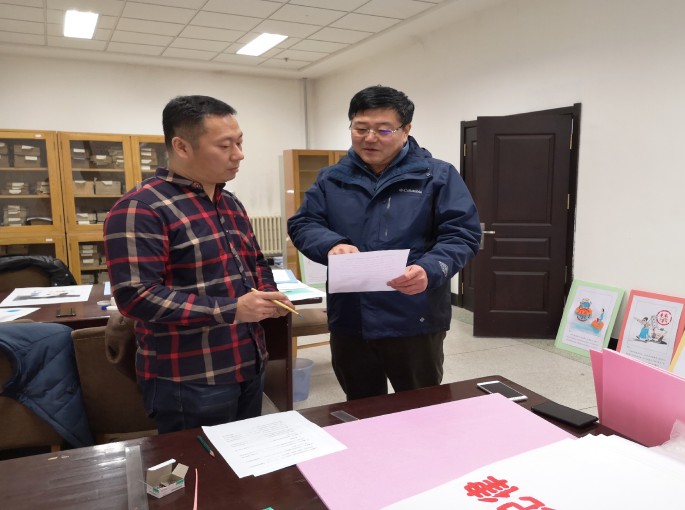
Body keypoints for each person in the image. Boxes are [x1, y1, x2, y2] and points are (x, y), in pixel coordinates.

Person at [104, 95, 293, 433]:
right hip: (189, 377)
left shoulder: (229, 202)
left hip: (247, 360)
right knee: (200, 465)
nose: (239, 154)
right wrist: (233, 309)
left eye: (240, 142)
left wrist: (267, 292)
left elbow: (254, 261)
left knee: (247, 457)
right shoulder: (141, 208)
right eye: (225, 145)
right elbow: (136, 296)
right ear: (182, 146)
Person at [288, 85, 481, 400]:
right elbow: (304, 223)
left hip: (414, 316)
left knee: (421, 404)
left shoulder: (437, 176)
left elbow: (462, 233)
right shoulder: (330, 178)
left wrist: (430, 269)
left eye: (383, 129)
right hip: (351, 317)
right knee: (361, 406)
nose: (370, 138)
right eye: (360, 128)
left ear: (406, 130)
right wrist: (331, 244)